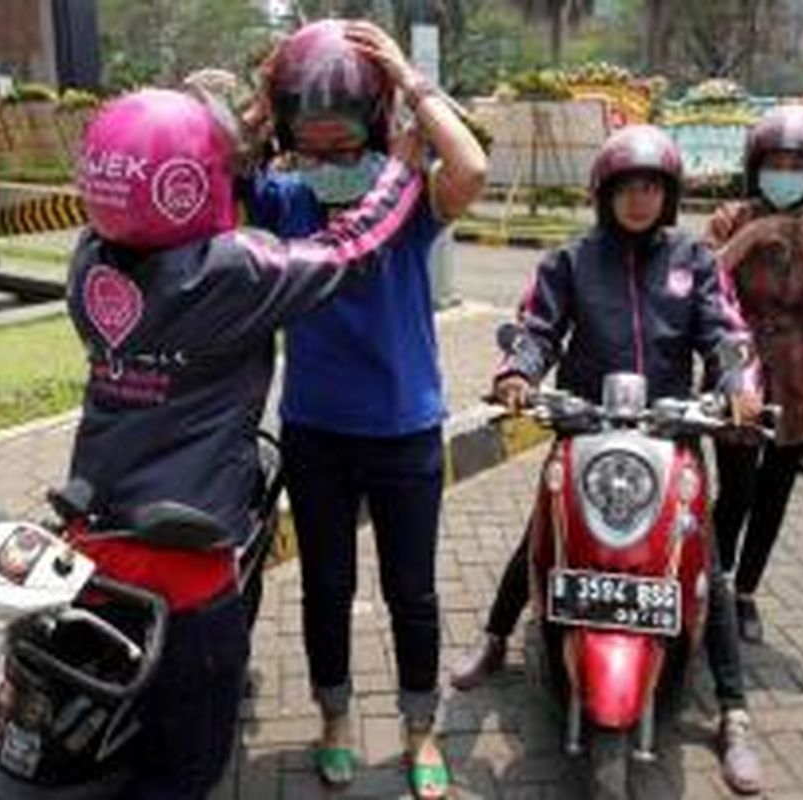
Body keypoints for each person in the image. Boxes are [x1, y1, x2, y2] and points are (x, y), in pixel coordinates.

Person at [61, 88, 425, 799]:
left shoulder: (89, 264)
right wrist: (402, 171)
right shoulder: (228, 273)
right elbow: (347, 245)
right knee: (188, 758)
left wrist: (228, 138)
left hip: (91, 533)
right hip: (186, 558)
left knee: (110, 725)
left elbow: (155, 195)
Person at [449, 125, 765, 795]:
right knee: (545, 534)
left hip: (671, 433)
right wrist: (518, 374)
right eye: (627, 186)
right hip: (587, 430)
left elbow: (726, 332)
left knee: (703, 560)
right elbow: (537, 328)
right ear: (606, 194)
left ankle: (734, 710)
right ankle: (496, 637)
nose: (640, 199)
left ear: (670, 195)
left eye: (652, 186)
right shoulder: (572, 260)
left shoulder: (694, 259)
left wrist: (736, 385)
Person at [248, 19, 487, 799]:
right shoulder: (285, 199)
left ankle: (422, 730)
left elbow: (473, 164)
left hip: (406, 431)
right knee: (326, 587)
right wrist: (263, 99)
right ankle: (334, 722)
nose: (327, 162)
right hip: (316, 432)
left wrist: (410, 80)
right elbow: (217, 170)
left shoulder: (408, 194)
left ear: (372, 127)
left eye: (342, 144)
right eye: (310, 144)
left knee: (410, 592)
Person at [705, 104, 803, 644]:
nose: (786, 174)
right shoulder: (730, 217)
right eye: (776, 163)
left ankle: (745, 594)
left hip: (801, 371)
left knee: (775, 491)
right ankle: (711, 583)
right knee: (737, 489)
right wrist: (751, 238)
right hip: (741, 368)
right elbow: (697, 284)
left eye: (798, 165)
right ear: (756, 165)